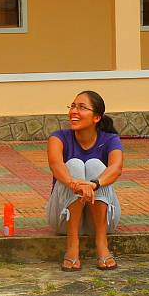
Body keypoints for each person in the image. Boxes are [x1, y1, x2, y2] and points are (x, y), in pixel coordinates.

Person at [46, 90, 123, 271]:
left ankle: (102, 243)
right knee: (73, 165)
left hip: (103, 220)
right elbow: (56, 165)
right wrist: (75, 183)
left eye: (81, 107)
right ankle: (72, 244)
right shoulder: (58, 138)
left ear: (96, 117)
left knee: (96, 165)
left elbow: (116, 168)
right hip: (62, 219)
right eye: (72, 106)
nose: (74, 111)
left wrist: (93, 184)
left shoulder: (110, 140)